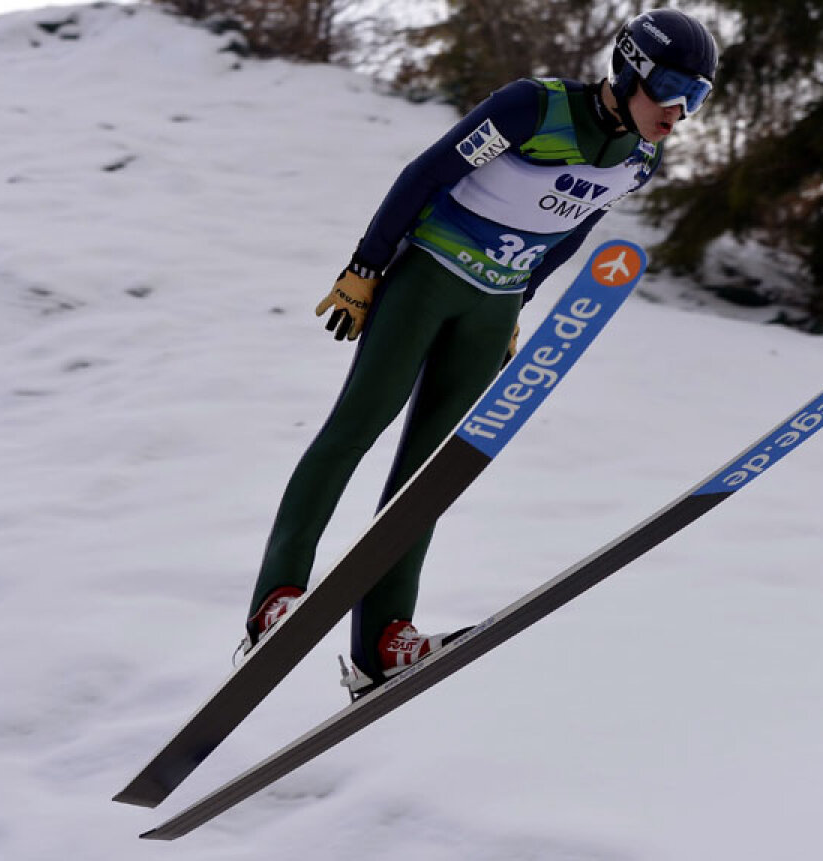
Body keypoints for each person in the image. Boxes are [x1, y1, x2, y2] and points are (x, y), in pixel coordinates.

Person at [241, 9, 719, 688]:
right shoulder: (532, 107)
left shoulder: (640, 161)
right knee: (356, 427)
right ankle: (275, 600)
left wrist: (520, 305)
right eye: (672, 89)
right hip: (427, 279)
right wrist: (365, 267)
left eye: (696, 98)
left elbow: (573, 230)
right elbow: (426, 173)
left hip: (491, 307)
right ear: (631, 68)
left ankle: (383, 641)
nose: (679, 112)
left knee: (429, 474)